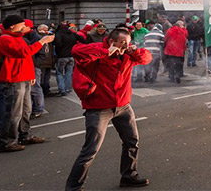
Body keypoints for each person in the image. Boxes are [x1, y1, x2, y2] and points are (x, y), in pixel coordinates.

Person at [65, 28, 152, 190]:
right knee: (90, 150)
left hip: (123, 106)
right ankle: (73, 187)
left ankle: (129, 176)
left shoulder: (127, 54)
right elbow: (76, 51)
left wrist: (136, 50)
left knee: (132, 141)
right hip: (99, 108)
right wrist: (105, 52)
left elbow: (147, 58)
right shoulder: (97, 52)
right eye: (123, 43)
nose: (127, 46)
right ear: (112, 42)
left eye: (129, 42)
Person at [0, 14, 55, 153]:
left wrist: (31, 75)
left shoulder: (18, 38)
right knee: (13, 113)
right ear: (12, 26)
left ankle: (24, 135)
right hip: (13, 80)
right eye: (22, 24)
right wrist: (42, 42)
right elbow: (23, 53)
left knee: (26, 110)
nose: (25, 27)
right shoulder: (5, 39)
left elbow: (27, 58)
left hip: (23, 77)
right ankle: (6, 142)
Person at [24, 20, 48, 118]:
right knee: (31, 88)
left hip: (34, 66)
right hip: (31, 65)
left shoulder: (36, 37)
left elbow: (41, 53)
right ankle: (35, 107)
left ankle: (38, 108)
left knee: (35, 88)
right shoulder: (28, 36)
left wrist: (34, 64)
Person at [54, 22, 85, 96]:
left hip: (62, 56)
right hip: (71, 56)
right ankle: (67, 88)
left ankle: (62, 89)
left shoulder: (59, 34)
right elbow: (82, 39)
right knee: (69, 72)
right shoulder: (72, 33)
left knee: (60, 73)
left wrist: (59, 50)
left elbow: (57, 44)